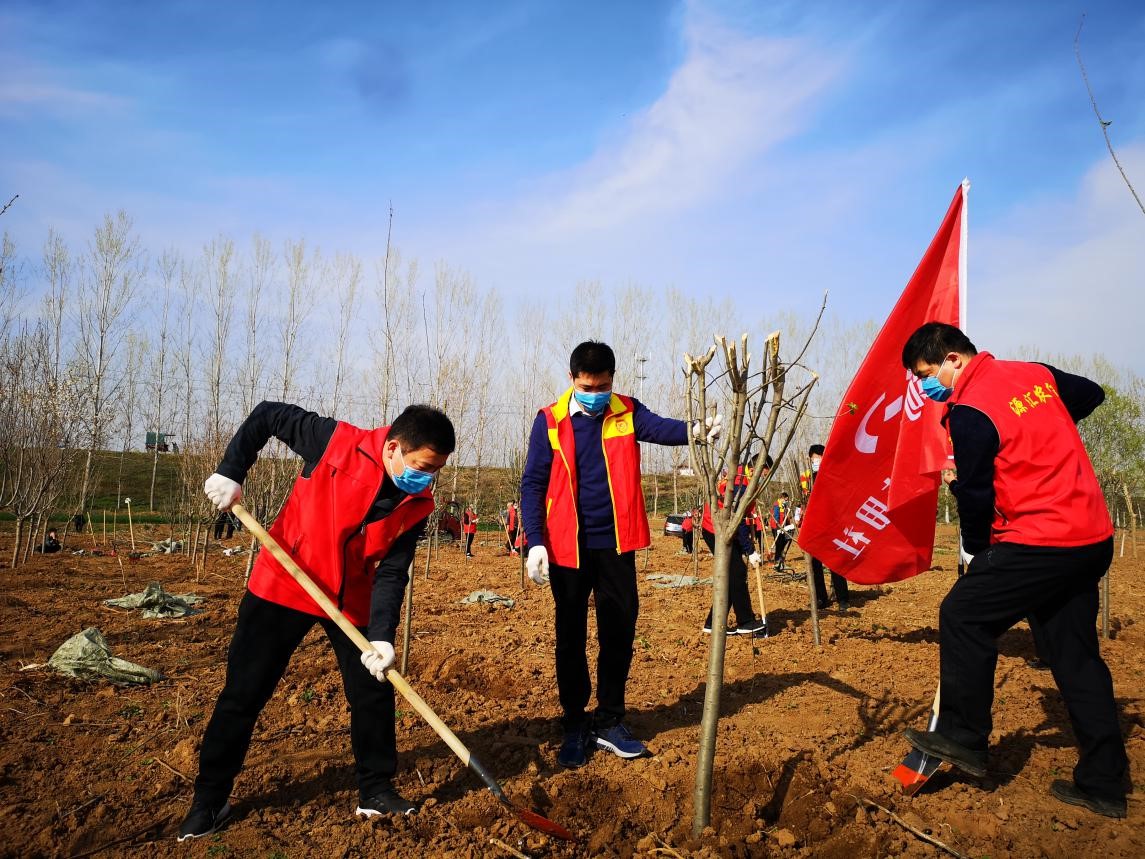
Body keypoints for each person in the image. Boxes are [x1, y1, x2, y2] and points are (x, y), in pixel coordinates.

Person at [177, 401, 455, 841]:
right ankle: (210, 800)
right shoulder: (335, 442)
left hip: (352, 599)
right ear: (395, 447)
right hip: (286, 580)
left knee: (373, 692)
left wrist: (382, 637)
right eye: (423, 466)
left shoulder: (418, 503)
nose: (427, 477)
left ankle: (376, 790)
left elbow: (393, 570)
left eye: (436, 470)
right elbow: (267, 415)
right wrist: (233, 470)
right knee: (243, 693)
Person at [900, 322, 1127, 819]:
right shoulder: (1035, 375)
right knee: (1075, 657)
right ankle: (1105, 783)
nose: (926, 386)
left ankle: (964, 737)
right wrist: (1046, 432)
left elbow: (978, 495)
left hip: (1040, 540)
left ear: (953, 358)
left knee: (963, 615)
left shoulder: (971, 411)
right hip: (1091, 536)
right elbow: (1091, 393)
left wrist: (976, 551)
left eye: (926, 373)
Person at [520, 341, 719, 769]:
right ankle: (575, 722)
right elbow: (533, 483)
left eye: (604, 386)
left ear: (613, 380)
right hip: (567, 547)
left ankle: (610, 719)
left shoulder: (625, 411)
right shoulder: (550, 422)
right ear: (572, 380)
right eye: (588, 386)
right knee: (570, 635)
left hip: (616, 544)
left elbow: (661, 428)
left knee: (619, 630)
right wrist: (534, 540)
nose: (596, 394)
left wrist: (695, 430)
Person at [698, 462, 767, 637]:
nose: (763, 478)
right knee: (737, 572)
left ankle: (712, 623)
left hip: (723, 528)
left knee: (733, 575)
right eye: (762, 475)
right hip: (717, 529)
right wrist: (750, 550)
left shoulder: (742, 478)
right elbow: (739, 519)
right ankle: (745, 621)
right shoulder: (740, 484)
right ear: (754, 470)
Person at [802, 444, 851, 611]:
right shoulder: (807, 479)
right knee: (815, 564)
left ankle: (843, 598)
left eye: (818, 458)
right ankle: (821, 598)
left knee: (835, 561)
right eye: (813, 459)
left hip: (833, 524)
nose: (815, 461)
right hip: (815, 526)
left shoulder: (833, 474)